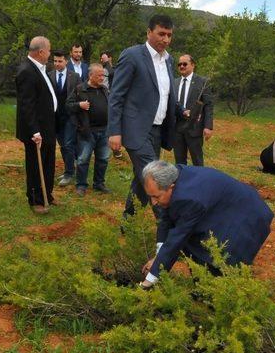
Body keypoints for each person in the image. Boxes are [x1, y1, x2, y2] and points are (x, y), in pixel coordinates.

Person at [139, 161, 274, 288]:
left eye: (156, 197)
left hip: (245, 216)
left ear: (171, 187)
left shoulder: (188, 198)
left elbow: (177, 238)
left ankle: (224, 294)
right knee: (195, 245)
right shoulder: (171, 175)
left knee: (223, 259)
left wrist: (150, 280)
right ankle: (204, 286)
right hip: (222, 206)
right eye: (150, 196)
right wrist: (159, 257)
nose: (153, 202)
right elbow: (166, 219)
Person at [108, 14, 178, 217]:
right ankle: (168, 231)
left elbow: (165, 93)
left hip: (157, 131)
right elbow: (116, 95)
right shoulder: (132, 55)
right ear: (149, 32)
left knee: (142, 180)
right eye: (161, 34)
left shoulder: (169, 60)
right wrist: (114, 131)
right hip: (136, 131)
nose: (165, 39)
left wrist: (181, 111)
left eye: (169, 35)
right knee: (156, 178)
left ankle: (128, 222)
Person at [16, 37, 58, 214]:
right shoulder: (27, 71)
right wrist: (34, 130)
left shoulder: (40, 69)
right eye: (49, 50)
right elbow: (27, 105)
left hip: (48, 125)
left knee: (49, 162)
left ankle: (47, 194)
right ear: (41, 52)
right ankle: (35, 199)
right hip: (36, 130)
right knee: (35, 164)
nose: (50, 54)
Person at [66, 63, 110, 196]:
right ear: (90, 75)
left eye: (103, 75)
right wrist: (79, 105)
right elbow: (68, 106)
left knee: (103, 159)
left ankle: (99, 183)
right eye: (99, 75)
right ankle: (81, 185)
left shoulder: (105, 89)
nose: (102, 78)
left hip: (104, 131)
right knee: (83, 159)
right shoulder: (80, 89)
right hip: (87, 132)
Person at [48, 49, 81, 187]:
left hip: (70, 117)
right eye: (55, 61)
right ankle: (70, 168)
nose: (57, 63)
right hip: (55, 117)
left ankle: (69, 173)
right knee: (62, 144)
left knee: (68, 144)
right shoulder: (49, 75)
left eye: (60, 61)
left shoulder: (75, 76)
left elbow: (80, 95)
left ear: (66, 61)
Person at [174, 54, 213, 166]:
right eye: (179, 64)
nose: (181, 66)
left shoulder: (203, 82)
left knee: (197, 161)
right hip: (177, 128)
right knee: (179, 161)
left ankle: (200, 182)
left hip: (195, 128)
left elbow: (208, 105)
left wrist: (208, 126)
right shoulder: (174, 82)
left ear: (193, 65)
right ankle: (182, 181)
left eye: (185, 64)